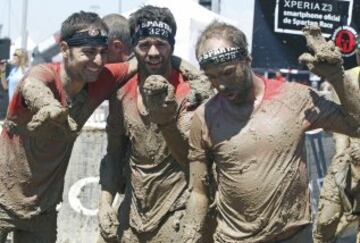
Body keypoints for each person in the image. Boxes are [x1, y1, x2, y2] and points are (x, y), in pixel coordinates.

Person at [181, 21, 360, 243]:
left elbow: (356, 126)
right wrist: (189, 236)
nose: (221, 85)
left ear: (247, 60)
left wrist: (337, 77)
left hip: (294, 235)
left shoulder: (294, 98)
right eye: (212, 77)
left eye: (228, 73)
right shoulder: (205, 116)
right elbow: (198, 192)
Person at [0, 11, 140, 243]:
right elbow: (32, 84)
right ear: (64, 49)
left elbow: (143, 60)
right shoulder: (45, 74)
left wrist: (193, 71)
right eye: (88, 52)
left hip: (41, 210)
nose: (97, 60)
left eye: (102, 52)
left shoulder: (100, 79)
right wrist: (49, 106)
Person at [98, 5, 214, 243]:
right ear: (133, 48)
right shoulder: (122, 93)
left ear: (171, 46)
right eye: (144, 45)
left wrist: (167, 122)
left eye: (161, 44)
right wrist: (104, 203)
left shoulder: (189, 92)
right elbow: (114, 153)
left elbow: (193, 161)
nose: (153, 52)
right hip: (134, 209)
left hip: (177, 208)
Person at [313, 39, 360, 243]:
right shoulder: (347, 78)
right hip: (347, 159)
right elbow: (339, 124)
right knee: (325, 222)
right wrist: (341, 156)